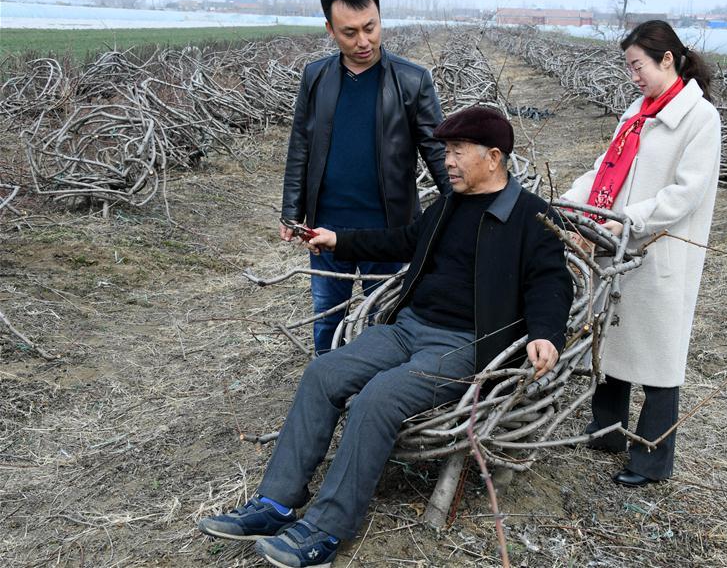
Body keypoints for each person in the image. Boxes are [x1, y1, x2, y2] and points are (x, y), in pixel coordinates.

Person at [199, 107, 573, 568]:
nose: (447, 161)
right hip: (407, 328)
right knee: (323, 372)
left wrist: (546, 334)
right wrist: (339, 240)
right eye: (446, 151)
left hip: (464, 345)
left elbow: (552, 282)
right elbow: (402, 240)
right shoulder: (450, 204)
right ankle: (275, 503)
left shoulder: (531, 217)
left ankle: (325, 529)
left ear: (494, 157)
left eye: (457, 152)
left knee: (378, 399)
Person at [562, 20, 721, 487]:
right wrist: (574, 206)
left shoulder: (699, 118)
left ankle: (652, 459)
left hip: (659, 247)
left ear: (666, 59)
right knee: (612, 338)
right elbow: (604, 167)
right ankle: (606, 429)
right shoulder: (639, 109)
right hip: (618, 243)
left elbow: (685, 193)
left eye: (638, 65)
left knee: (658, 354)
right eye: (629, 66)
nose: (633, 75)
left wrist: (630, 218)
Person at [279, 0, 450, 355]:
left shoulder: (412, 80)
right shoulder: (316, 76)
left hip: (389, 230)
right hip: (326, 227)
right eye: (349, 32)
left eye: (370, 28)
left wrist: (460, 206)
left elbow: (437, 152)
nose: (363, 42)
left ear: (379, 17)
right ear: (330, 30)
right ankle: (328, 384)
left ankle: (377, 392)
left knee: (385, 316)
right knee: (327, 316)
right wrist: (291, 211)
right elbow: (301, 146)